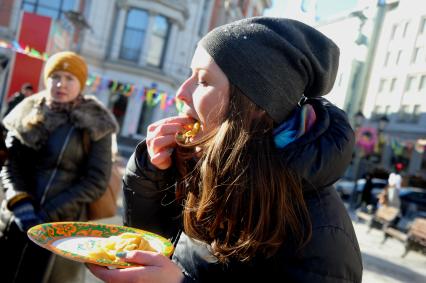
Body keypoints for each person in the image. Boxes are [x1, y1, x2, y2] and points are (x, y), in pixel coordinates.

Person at [89, 17, 363, 282]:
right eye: (190, 75)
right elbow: (156, 247)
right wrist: (149, 174)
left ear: (254, 106)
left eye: (204, 81)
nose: (181, 93)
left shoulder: (323, 235)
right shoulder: (204, 164)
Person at [0, 51, 119, 283]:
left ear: (81, 83)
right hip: (16, 220)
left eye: (69, 78)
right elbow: (10, 167)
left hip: (62, 229)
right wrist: (21, 205)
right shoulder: (27, 111)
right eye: (55, 76)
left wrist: (47, 215)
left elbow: (95, 182)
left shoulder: (97, 121)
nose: (60, 84)